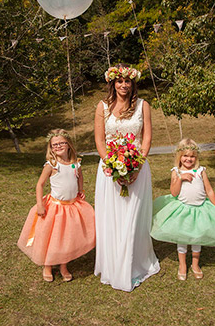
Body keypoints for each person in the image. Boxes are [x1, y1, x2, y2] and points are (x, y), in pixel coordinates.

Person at [94, 63, 160, 292]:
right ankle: (114, 264)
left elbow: (147, 139)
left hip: (137, 169)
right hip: (108, 171)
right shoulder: (102, 107)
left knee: (133, 217)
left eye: (127, 81)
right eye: (119, 81)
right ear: (113, 83)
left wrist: (136, 168)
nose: (123, 85)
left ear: (133, 83)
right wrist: (112, 165)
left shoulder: (144, 106)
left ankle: (134, 263)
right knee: (113, 217)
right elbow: (100, 141)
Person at [151, 138, 215, 281]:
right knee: (182, 238)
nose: (188, 159)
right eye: (185, 156)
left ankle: (195, 264)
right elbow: (174, 193)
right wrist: (181, 178)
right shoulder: (176, 172)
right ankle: (182, 265)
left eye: (192, 156)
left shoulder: (201, 171)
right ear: (179, 156)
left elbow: (209, 190)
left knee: (198, 237)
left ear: (196, 157)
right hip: (183, 210)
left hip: (200, 209)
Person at [17, 129, 96, 282]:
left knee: (67, 237)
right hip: (56, 207)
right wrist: (40, 205)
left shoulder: (75, 163)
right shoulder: (52, 165)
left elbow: (80, 177)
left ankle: (63, 264)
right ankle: (47, 264)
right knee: (52, 237)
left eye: (61, 143)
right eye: (54, 145)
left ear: (69, 145)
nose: (58, 146)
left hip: (72, 207)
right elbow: (40, 185)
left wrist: (81, 190)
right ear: (51, 148)